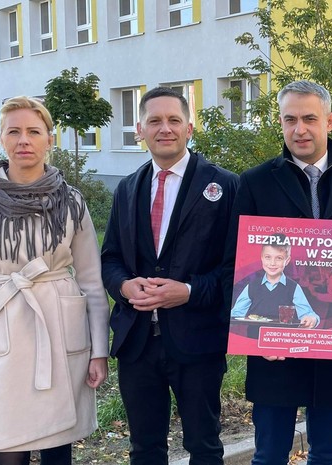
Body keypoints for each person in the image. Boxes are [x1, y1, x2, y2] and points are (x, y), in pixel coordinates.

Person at [222, 79, 332, 465]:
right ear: (281, 123)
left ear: (329, 121)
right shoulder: (255, 182)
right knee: (269, 455)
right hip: (273, 349)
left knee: (329, 454)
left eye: (309, 119)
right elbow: (233, 267)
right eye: (290, 120)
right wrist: (254, 335)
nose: (299, 129)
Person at [0, 96, 109, 465]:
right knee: (7, 450)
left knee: (58, 447)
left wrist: (99, 351)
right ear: (1, 139)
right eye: (13, 131)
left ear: (49, 140)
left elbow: (92, 282)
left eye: (33, 131)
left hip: (59, 331)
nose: (23, 140)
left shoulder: (70, 201)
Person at [101, 87, 238, 465]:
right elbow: (110, 257)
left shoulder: (225, 185)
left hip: (198, 340)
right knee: (144, 449)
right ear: (139, 130)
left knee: (204, 446)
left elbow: (236, 269)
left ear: (189, 128)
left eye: (174, 120)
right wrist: (124, 286)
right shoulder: (127, 188)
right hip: (137, 342)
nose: (165, 128)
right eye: (155, 121)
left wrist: (190, 291)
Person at [230, 233, 320, 328]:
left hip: (282, 336)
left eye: (279, 258)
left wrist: (312, 319)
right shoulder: (251, 286)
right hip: (254, 337)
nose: (272, 263)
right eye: (268, 257)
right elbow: (235, 314)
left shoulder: (294, 288)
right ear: (262, 258)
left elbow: (308, 314)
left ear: (287, 260)